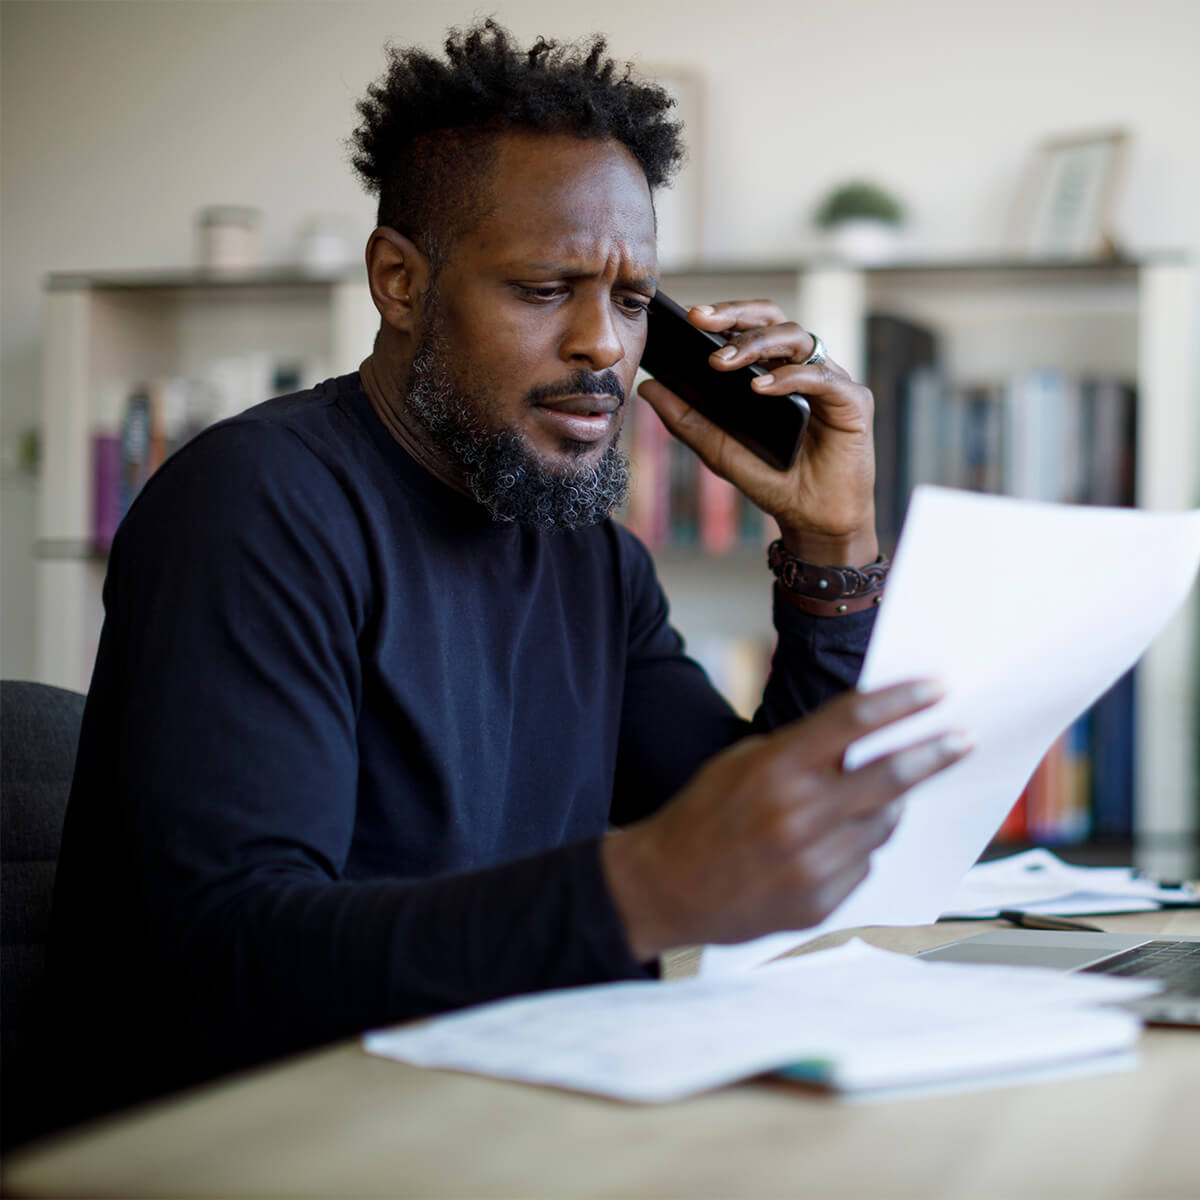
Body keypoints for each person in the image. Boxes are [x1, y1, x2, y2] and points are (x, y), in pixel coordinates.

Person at [49, 20, 969, 1123]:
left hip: (501, 1103)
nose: (604, 346)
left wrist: (832, 545)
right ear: (399, 282)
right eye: (544, 288)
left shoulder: (589, 554)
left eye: (633, 302)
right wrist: (637, 888)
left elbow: (765, 841)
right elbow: (233, 961)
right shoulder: (253, 506)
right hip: (256, 1143)